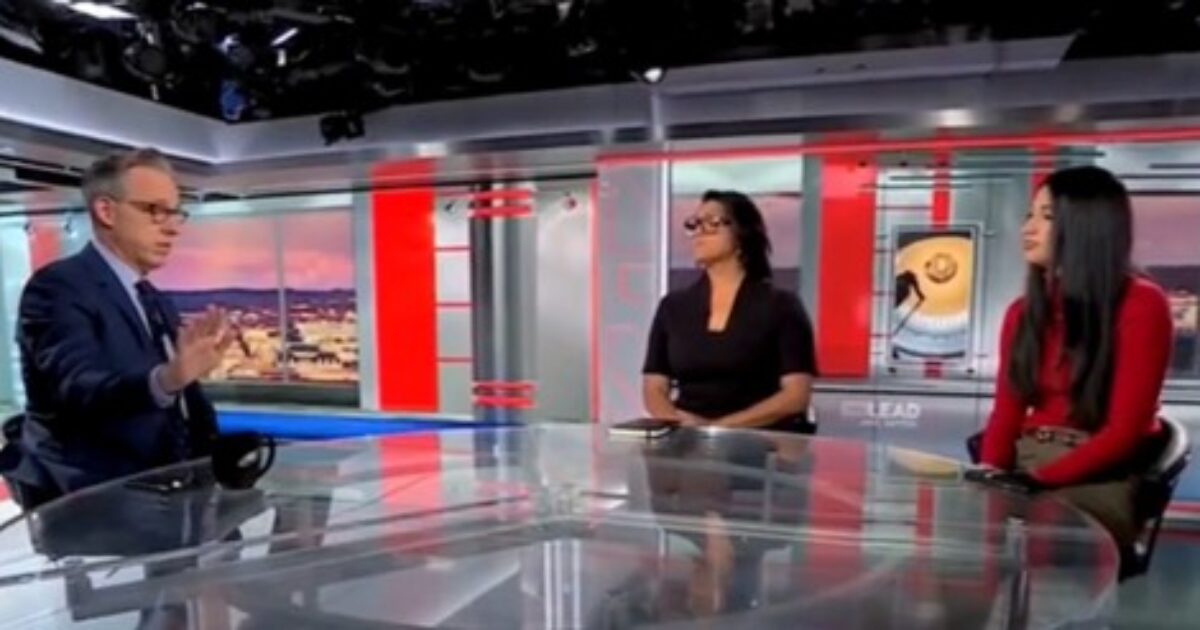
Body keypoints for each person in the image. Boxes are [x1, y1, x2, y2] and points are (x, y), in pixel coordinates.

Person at [6, 148, 233, 502]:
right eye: (155, 211)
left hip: (173, 497)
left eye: (175, 213)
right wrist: (168, 378)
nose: (172, 227)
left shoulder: (154, 298)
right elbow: (78, 389)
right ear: (106, 211)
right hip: (93, 505)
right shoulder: (58, 288)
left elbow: (183, 406)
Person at [978, 165, 1173, 550]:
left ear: (1085, 226)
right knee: (968, 535)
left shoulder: (1142, 304)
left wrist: (1039, 483)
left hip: (1100, 474)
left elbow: (1124, 431)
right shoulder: (1023, 312)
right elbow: (1006, 414)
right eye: (1029, 215)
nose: (1027, 228)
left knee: (1046, 546)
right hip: (1030, 458)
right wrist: (988, 474)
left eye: (1046, 217)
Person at [642, 190, 818, 432]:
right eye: (694, 224)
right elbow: (654, 387)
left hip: (761, 447)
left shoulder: (781, 306)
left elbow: (796, 395)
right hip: (686, 444)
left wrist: (718, 430)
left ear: (741, 235)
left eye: (713, 222)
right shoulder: (672, 307)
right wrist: (678, 422)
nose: (699, 232)